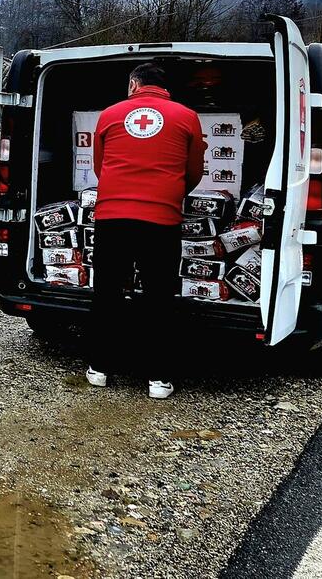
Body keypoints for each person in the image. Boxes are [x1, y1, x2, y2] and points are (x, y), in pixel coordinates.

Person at [86, 63, 206, 399]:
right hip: (161, 218)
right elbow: (194, 170)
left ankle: (98, 368)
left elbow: (99, 165)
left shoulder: (110, 114)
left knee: (107, 291)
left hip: (112, 215)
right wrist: (170, 192)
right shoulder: (186, 116)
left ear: (135, 84)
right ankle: (157, 378)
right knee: (158, 297)